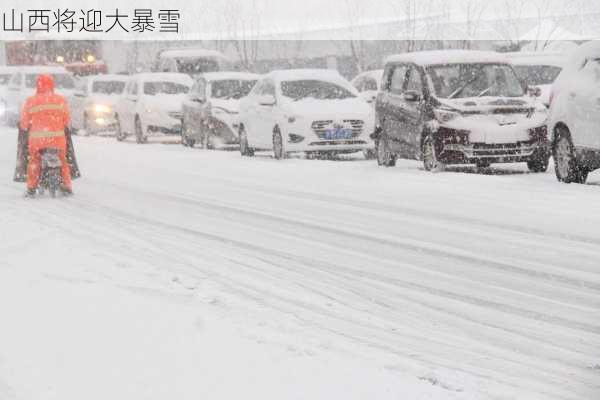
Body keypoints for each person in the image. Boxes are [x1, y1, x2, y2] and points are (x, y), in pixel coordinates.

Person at [16, 74, 79, 197]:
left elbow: (24, 123)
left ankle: (31, 188)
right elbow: (66, 121)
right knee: (63, 161)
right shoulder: (60, 100)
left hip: (38, 141)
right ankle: (66, 186)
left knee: (34, 161)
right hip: (58, 140)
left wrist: (25, 126)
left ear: (38, 85)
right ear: (52, 85)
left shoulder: (31, 101)